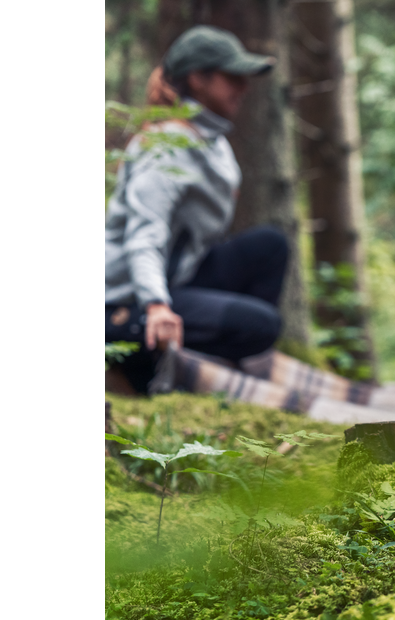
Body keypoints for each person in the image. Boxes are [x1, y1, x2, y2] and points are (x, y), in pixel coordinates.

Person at [105, 25, 285, 392]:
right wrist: (156, 305)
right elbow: (144, 237)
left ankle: (218, 356)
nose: (243, 87)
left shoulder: (211, 141)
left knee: (269, 245)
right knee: (261, 325)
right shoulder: (164, 148)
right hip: (125, 301)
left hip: (181, 275)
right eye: (232, 77)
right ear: (198, 79)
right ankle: (148, 368)